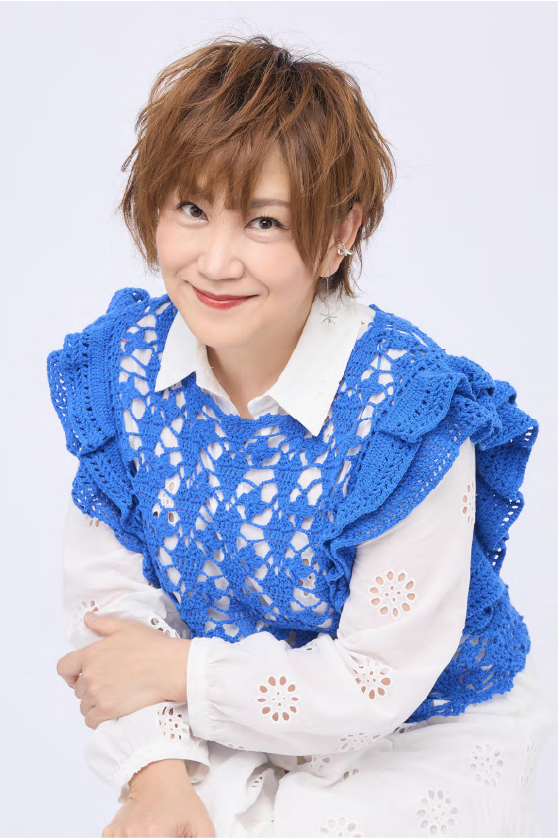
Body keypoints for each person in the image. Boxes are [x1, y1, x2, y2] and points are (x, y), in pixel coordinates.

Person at [46, 34, 556, 838]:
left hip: (415, 736)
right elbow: (112, 614)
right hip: (218, 720)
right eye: (192, 209)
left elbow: (378, 679)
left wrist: (182, 669)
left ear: (340, 232)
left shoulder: (407, 412)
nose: (217, 261)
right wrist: (156, 775)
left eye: (265, 222)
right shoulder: (122, 372)